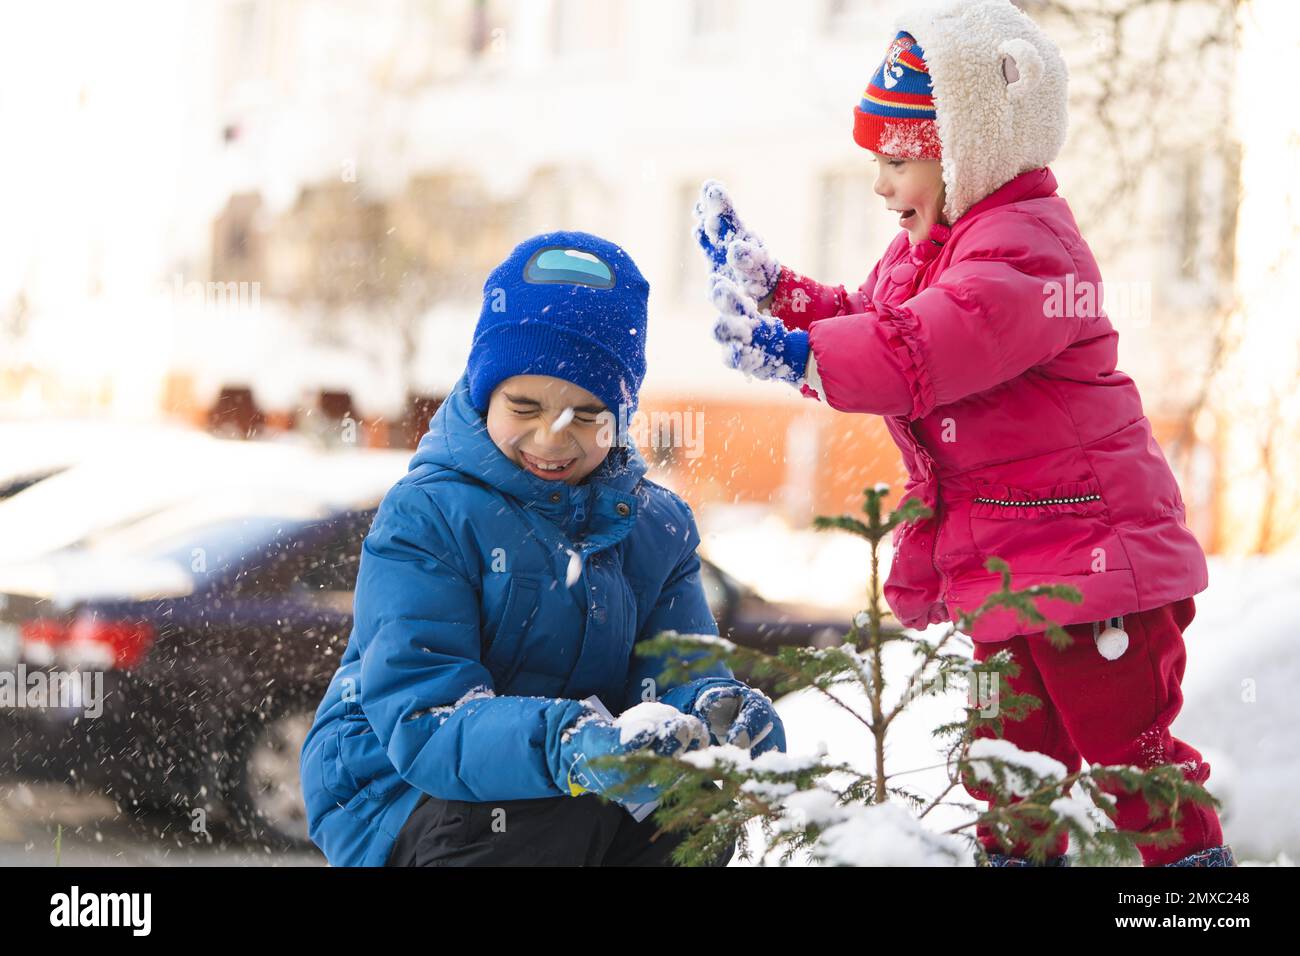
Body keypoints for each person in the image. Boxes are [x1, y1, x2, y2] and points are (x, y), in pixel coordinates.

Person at [692, 0, 1232, 867]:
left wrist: (793, 356)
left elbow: (923, 349)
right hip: (1010, 568)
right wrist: (780, 296)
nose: (879, 184)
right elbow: (872, 319)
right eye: (876, 158)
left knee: (1134, 768)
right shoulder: (930, 248)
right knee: (1008, 772)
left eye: (899, 159)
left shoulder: (1025, 249)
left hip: (1094, 561)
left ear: (968, 152)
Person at [300, 230, 784, 867]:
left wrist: (709, 709)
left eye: (587, 415)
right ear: (483, 395)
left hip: (574, 774)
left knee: (691, 821)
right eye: (524, 405)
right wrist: (573, 746)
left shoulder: (656, 527)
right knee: (543, 821)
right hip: (396, 786)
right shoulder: (429, 514)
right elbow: (427, 716)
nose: (552, 437)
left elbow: (676, 669)